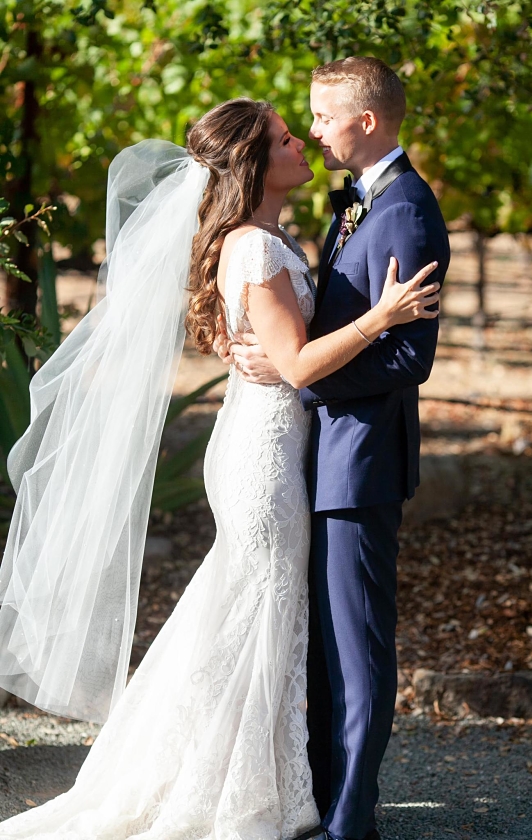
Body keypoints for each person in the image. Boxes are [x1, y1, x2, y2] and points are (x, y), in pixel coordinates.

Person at [0, 96, 439, 839]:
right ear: (255, 163)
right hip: (263, 458)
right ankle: (229, 792)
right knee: (257, 612)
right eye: (285, 137)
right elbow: (298, 364)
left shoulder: (264, 237)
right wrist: (381, 317)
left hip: (267, 443)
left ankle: (241, 779)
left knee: (245, 614)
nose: (301, 143)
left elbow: (279, 348)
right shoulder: (256, 247)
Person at [215, 58, 450, 840]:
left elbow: (409, 357)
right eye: (299, 126)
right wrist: (277, 355)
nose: (311, 134)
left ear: (368, 122)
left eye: (319, 119)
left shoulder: (406, 211)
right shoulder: (348, 206)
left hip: (359, 463)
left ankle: (350, 823)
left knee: (355, 648)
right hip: (311, 460)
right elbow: (301, 325)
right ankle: (315, 796)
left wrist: (296, 379)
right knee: (316, 647)